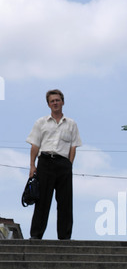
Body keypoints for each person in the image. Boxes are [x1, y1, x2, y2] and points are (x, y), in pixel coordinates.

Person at [26, 89, 82, 240]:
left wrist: (68, 165)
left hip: (64, 164)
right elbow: (35, 146)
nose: (55, 103)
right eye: (52, 101)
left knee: (65, 202)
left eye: (57, 100)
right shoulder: (41, 122)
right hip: (45, 162)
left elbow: (73, 147)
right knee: (42, 201)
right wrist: (32, 166)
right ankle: (35, 236)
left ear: (63, 102)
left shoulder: (71, 124)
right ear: (48, 104)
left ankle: (65, 237)